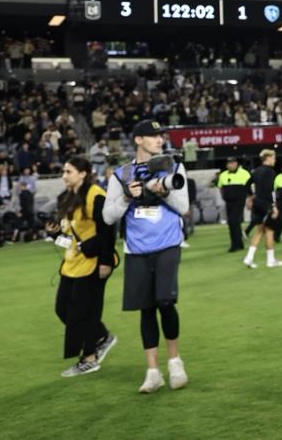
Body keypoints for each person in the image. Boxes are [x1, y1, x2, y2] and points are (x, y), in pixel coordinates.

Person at [103, 120, 190, 393]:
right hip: (136, 249)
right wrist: (128, 197)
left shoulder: (174, 166)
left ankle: (175, 362)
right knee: (146, 307)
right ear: (138, 139)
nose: (159, 140)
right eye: (153, 136)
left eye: (160, 136)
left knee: (165, 300)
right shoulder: (121, 173)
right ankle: (153, 371)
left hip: (168, 243)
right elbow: (108, 217)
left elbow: (184, 207)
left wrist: (161, 192)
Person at [49, 156, 118, 377]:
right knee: (62, 309)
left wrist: (106, 261)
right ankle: (103, 336)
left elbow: (108, 231)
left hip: (94, 262)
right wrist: (54, 234)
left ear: (82, 173)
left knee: (84, 311)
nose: (64, 175)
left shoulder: (96, 195)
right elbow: (68, 236)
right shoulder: (66, 198)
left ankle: (89, 358)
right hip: (72, 263)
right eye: (63, 171)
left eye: (68, 171)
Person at [243, 149, 282, 269]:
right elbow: (271, 190)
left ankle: (249, 258)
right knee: (270, 231)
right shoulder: (270, 172)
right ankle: (270, 260)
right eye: (273, 158)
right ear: (267, 158)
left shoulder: (256, 171)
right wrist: (274, 206)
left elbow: (246, 185)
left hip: (257, 203)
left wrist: (251, 197)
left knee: (260, 230)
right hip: (266, 204)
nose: (275, 160)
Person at [215, 156, 250, 252]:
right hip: (228, 201)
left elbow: (249, 188)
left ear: (236, 164)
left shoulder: (244, 173)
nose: (230, 165)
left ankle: (234, 245)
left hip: (239, 200)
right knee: (234, 223)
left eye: (232, 163)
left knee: (233, 221)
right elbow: (220, 187)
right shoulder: (223, 175)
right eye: (228, 163)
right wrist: (224, 197)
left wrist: (249, 199)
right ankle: (239, 244)